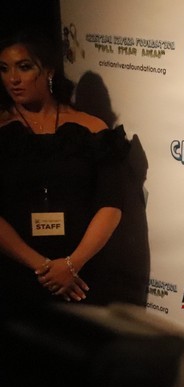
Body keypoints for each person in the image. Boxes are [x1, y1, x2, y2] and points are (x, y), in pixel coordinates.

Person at [0, 29, 131, 308]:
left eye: (24, 67)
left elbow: (111, 204)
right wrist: (44, 268)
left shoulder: (92, 129)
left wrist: (72, 265)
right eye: (4, 69)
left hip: (81, 276)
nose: (13, 79)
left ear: (48, 70)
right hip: (16, 275)